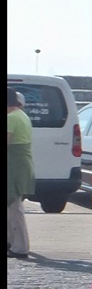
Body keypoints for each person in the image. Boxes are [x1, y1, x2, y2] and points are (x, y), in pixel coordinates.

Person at [8, 87, 35, 259]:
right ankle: (13, 242)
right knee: (12, 206)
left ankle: (20, 247)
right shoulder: (21, 115)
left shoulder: (10, 118)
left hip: (14, 165)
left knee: (14, 207)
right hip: (22, 164)